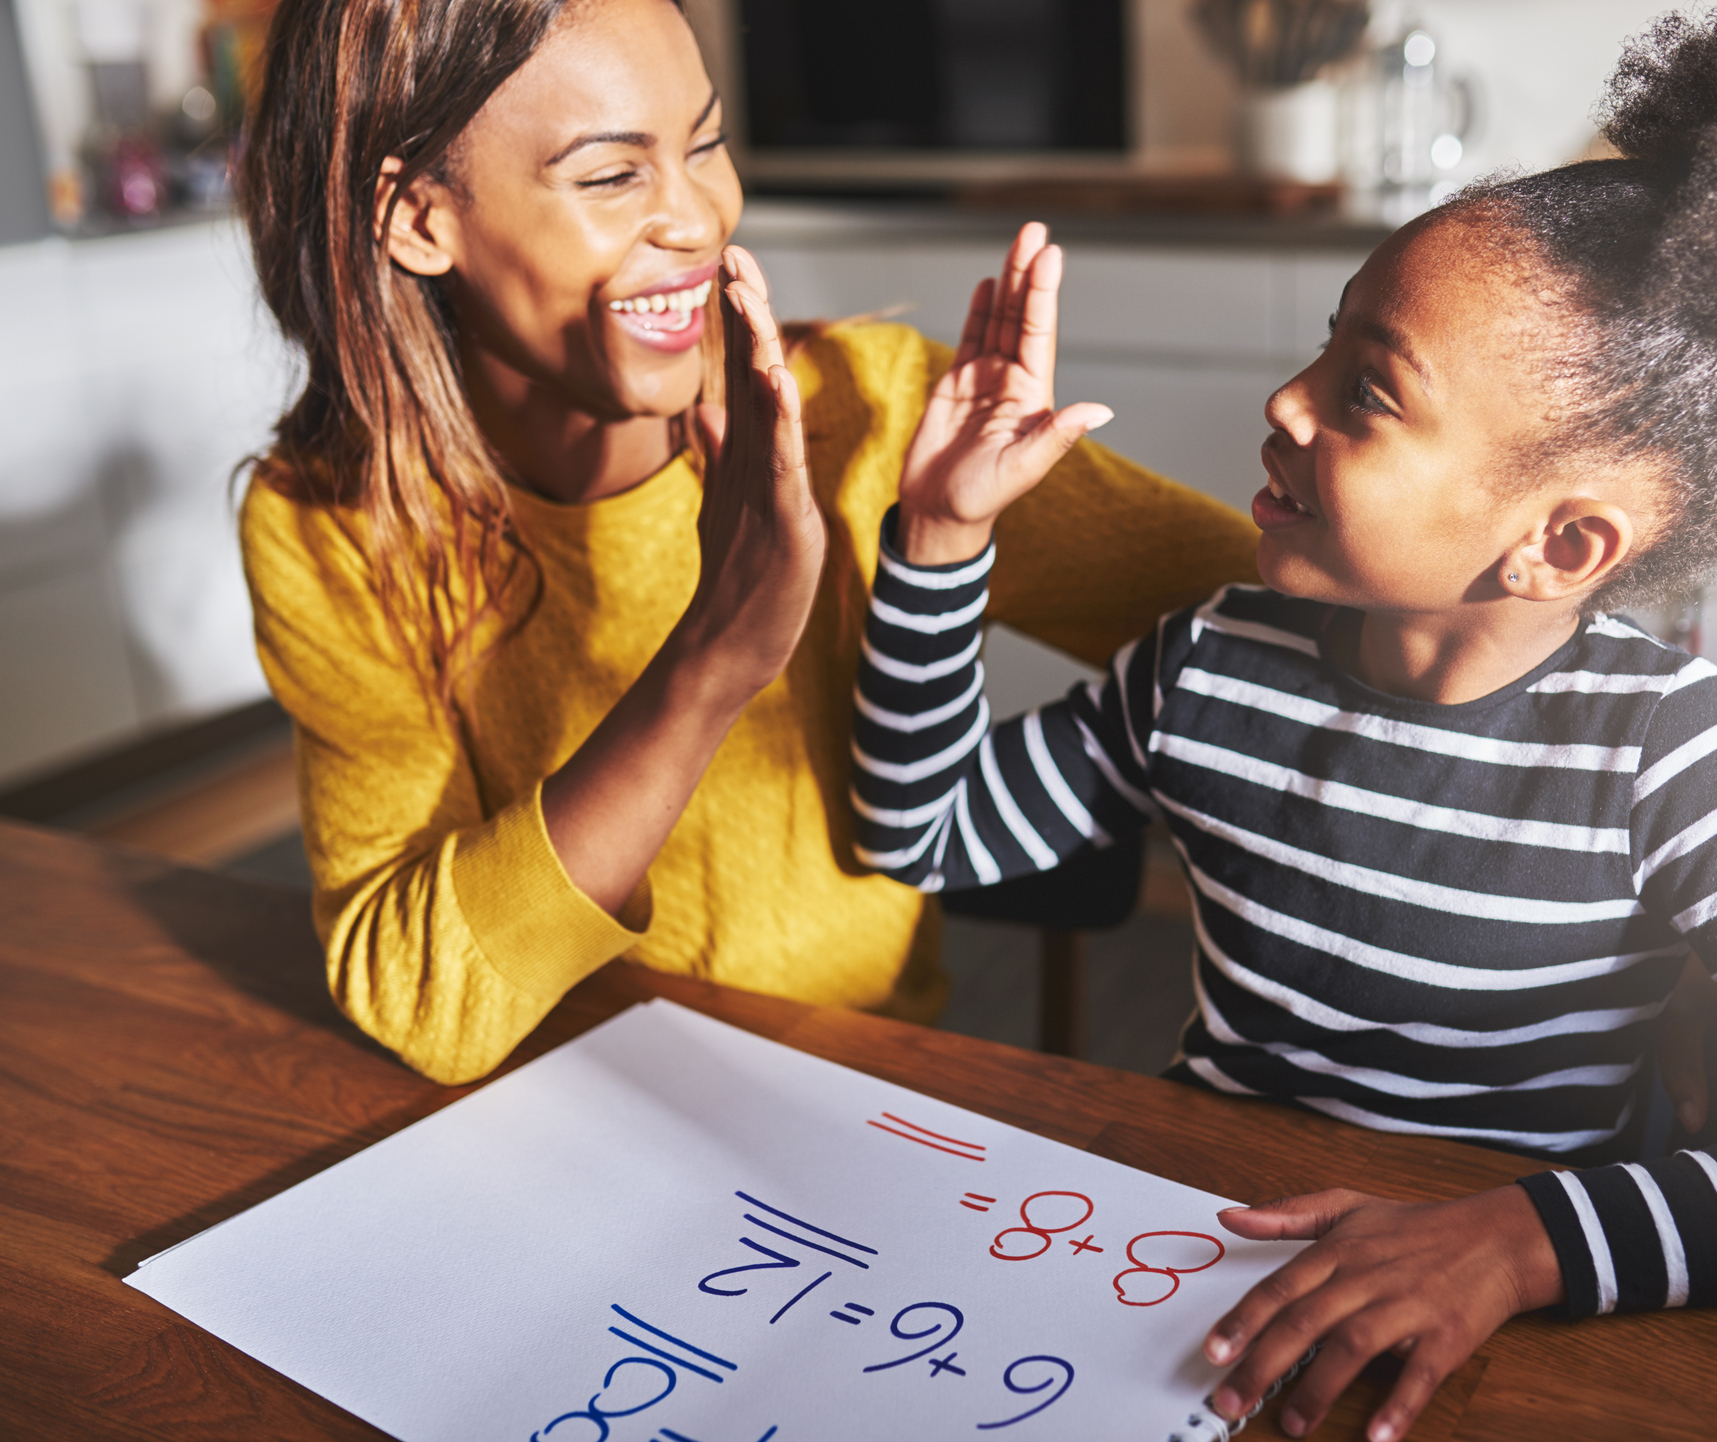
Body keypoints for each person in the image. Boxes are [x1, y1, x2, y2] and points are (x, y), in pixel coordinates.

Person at [849, 8, 1717, 1439]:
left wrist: (1515, 1241)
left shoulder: (1664, 754)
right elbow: (922, 832)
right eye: (1324, 342)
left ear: (1558, 544)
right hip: (1203, 1249)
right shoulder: (1208, 664)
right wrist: (936, 539)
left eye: (1368, 390)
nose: (1285, 401)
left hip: (1509, 1310)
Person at [232, 0, 1267, 1085]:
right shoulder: (332, 523)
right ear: (416, 219)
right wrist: (712, 660)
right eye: (610, 175)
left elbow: (1327, 620)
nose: (698, 217)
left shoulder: (879, 415)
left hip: (861, 1091)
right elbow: (421, 998)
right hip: (543, 1099)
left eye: (707, 144)